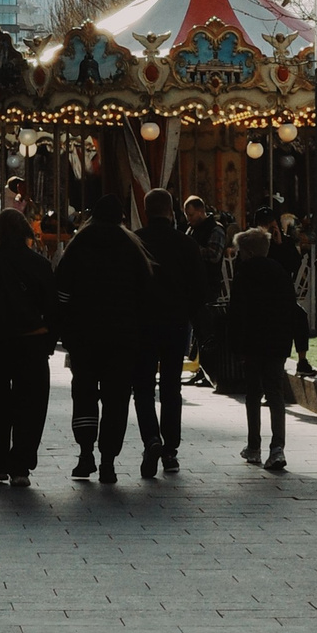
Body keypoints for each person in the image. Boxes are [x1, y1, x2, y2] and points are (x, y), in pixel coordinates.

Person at [54, 194, 152, 484]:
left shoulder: (79, 245)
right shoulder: (132, 247)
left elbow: (62, 292)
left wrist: (63, 329)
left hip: (84, 335)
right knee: (116, 397)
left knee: (84, 391)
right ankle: (108, 460)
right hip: (122, 337)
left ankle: (86, 455)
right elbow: (144, 296)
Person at [0, 207, 58, 485]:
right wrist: (49, 341)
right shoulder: (40, 265)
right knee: (30, 403)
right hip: (32, 340)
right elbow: (52, 306)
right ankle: (21, 465)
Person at [132, 189, 203, 477]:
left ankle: (151, 438)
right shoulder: (186, 243)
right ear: (172, 210)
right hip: (176, 323)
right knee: (172, 387)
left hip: (143, 323)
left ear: (146, 211)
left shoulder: (136, 241)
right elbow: (199, 288)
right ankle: (170, 450)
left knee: (143, 387)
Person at [228, 227, 308, 472]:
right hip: (277, 342)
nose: (238, 256)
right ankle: (277, 447)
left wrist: (236, 344)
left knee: (253, 392)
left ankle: (254, 446)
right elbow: (292, 308)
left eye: (240, 251)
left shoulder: (244, 273)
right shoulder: (280, 271)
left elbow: (237, 311)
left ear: (249, 252)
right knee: (275, 392)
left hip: (253, 342)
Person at [184, 195, 229, 387]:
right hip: (194, 286)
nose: (189, 219)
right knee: (200, 333)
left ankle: (211, 371)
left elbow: (214, 254)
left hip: (208, 286)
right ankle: (203, 370)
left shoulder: (215, 230)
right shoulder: (193, 229)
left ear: (201, 211)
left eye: (191, 214)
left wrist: (192, 249)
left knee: (207, 332)